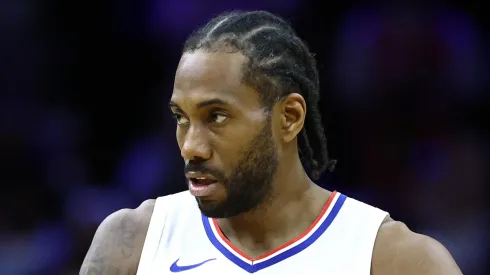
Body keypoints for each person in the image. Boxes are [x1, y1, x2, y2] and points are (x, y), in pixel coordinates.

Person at [80, 10, 462, 275]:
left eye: (216, 116)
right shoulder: (131, 244)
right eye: (182, 118)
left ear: (290, 118)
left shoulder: (396, 260)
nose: (191, 147)